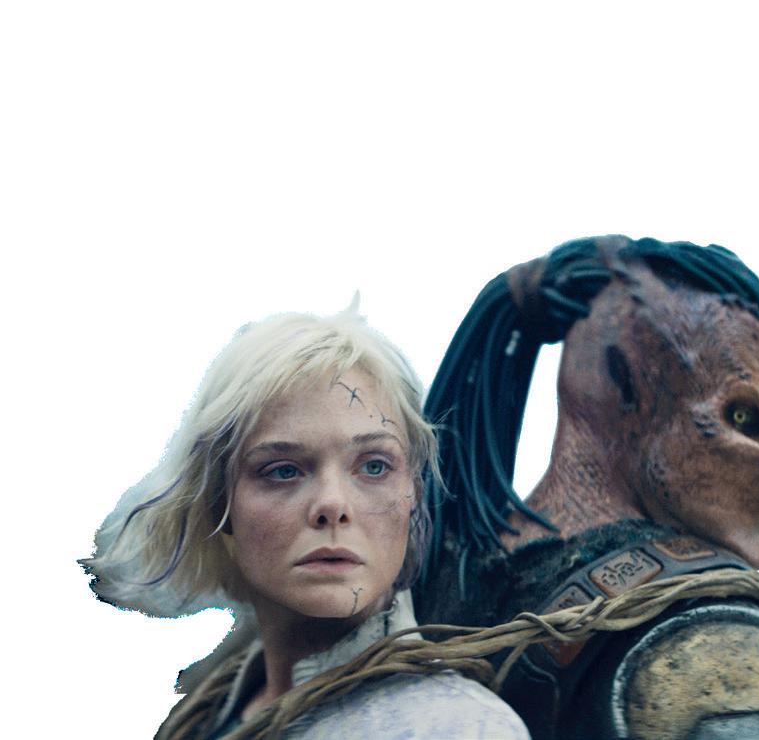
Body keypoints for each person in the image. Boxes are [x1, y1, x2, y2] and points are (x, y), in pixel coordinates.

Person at [83, 306, 531, 739]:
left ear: (412, 493)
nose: (332, 505)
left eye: (374, 466)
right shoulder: (210, 714)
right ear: (221, 503)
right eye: (282, 470)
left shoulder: (456, 728)